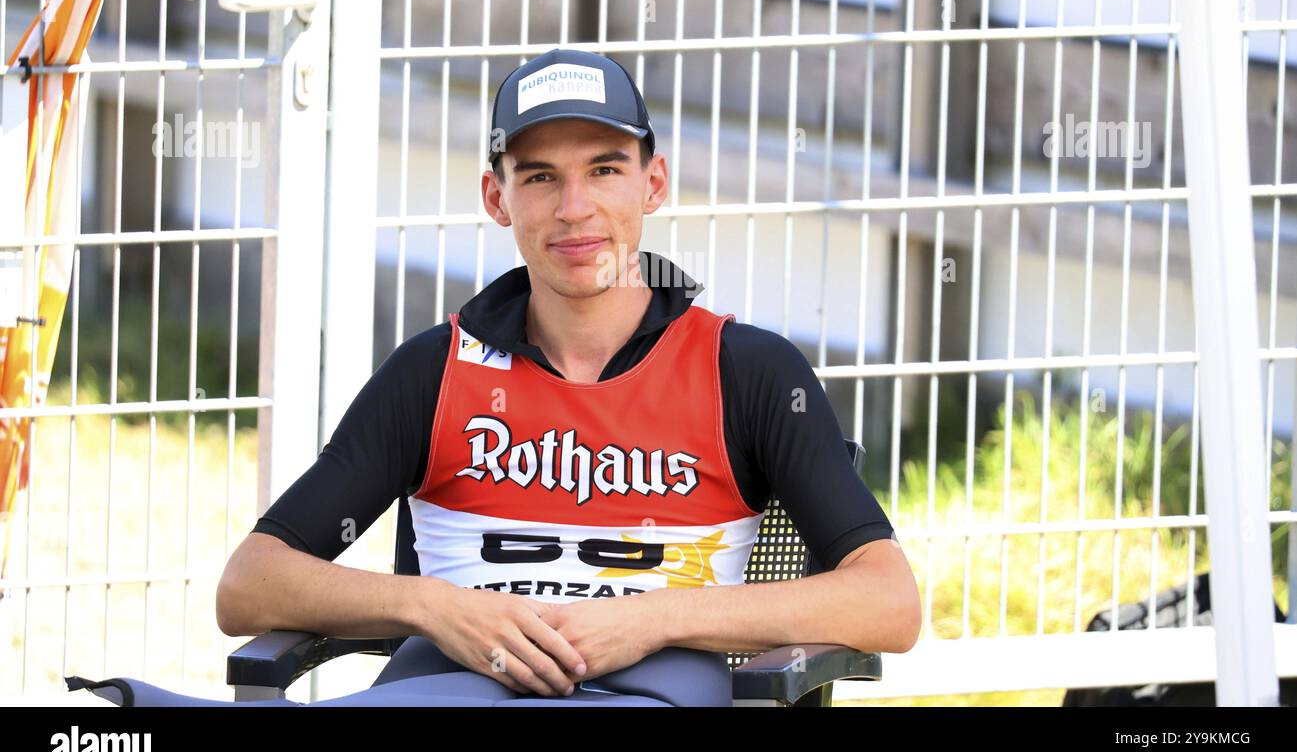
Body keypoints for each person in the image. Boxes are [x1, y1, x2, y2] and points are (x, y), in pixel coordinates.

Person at [67, 47, 920, 707]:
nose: (574, 207)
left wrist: (655, 617)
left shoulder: (748, 370)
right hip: (448, 682)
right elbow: (251, 585)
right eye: (539, 177)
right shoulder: (436, 370)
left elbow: (887, 604)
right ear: (494, 196)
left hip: (650, 687)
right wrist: (434, 608)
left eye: (605, 169)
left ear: (653, 182)